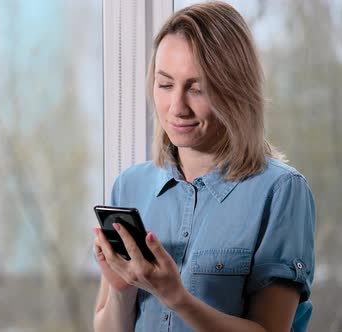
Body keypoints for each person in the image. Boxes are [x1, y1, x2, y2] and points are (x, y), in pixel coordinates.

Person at [93, 2, 315, 331]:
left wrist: (176, 297)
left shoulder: (281, 191)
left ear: (235, 89)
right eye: (165, 85)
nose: (177, 107)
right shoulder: (130, 185)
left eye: (198, 88)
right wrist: (122, 288)